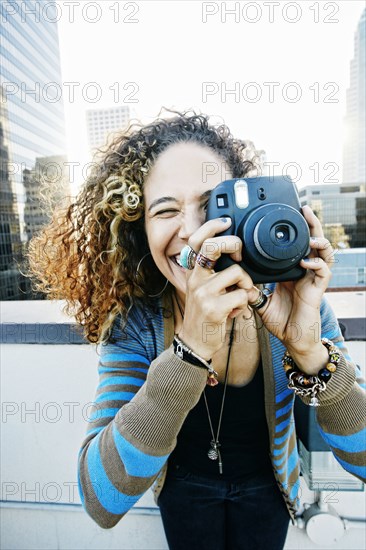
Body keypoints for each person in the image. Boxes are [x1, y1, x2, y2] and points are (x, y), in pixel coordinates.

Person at [28, 111, 365, 550]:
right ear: (139, 230)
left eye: (210, 206)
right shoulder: (138, 322)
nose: (191, 232)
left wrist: (306, 349)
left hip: (271, 484)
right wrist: (188, 349)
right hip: (183, 490)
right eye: (166, 210)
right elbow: (101, 499)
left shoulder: (296, 304)